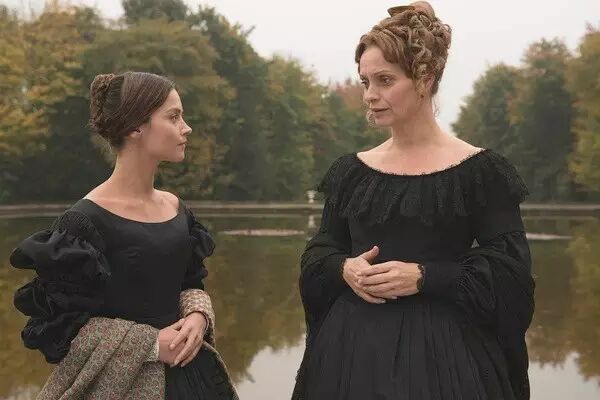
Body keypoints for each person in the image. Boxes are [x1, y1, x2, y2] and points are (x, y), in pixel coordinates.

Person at [293, 3, 535, 400]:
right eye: (365, 81)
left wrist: (425, 277)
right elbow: (320, 252)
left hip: (448, 361)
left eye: (385, 80)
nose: (370, 95)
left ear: (424, 78)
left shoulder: (480, 172)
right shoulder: (350, 173)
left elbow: (511, 275)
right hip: (350, 359)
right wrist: (344, 268)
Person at [10, 71, 237, 399]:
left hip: (191, 377)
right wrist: (150, 344)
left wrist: (199, 315)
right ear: (135, 127)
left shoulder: (177, 209)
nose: (186, 128)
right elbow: (60, 330)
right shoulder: (83, 223)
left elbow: (189, 283)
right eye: (173, 117)